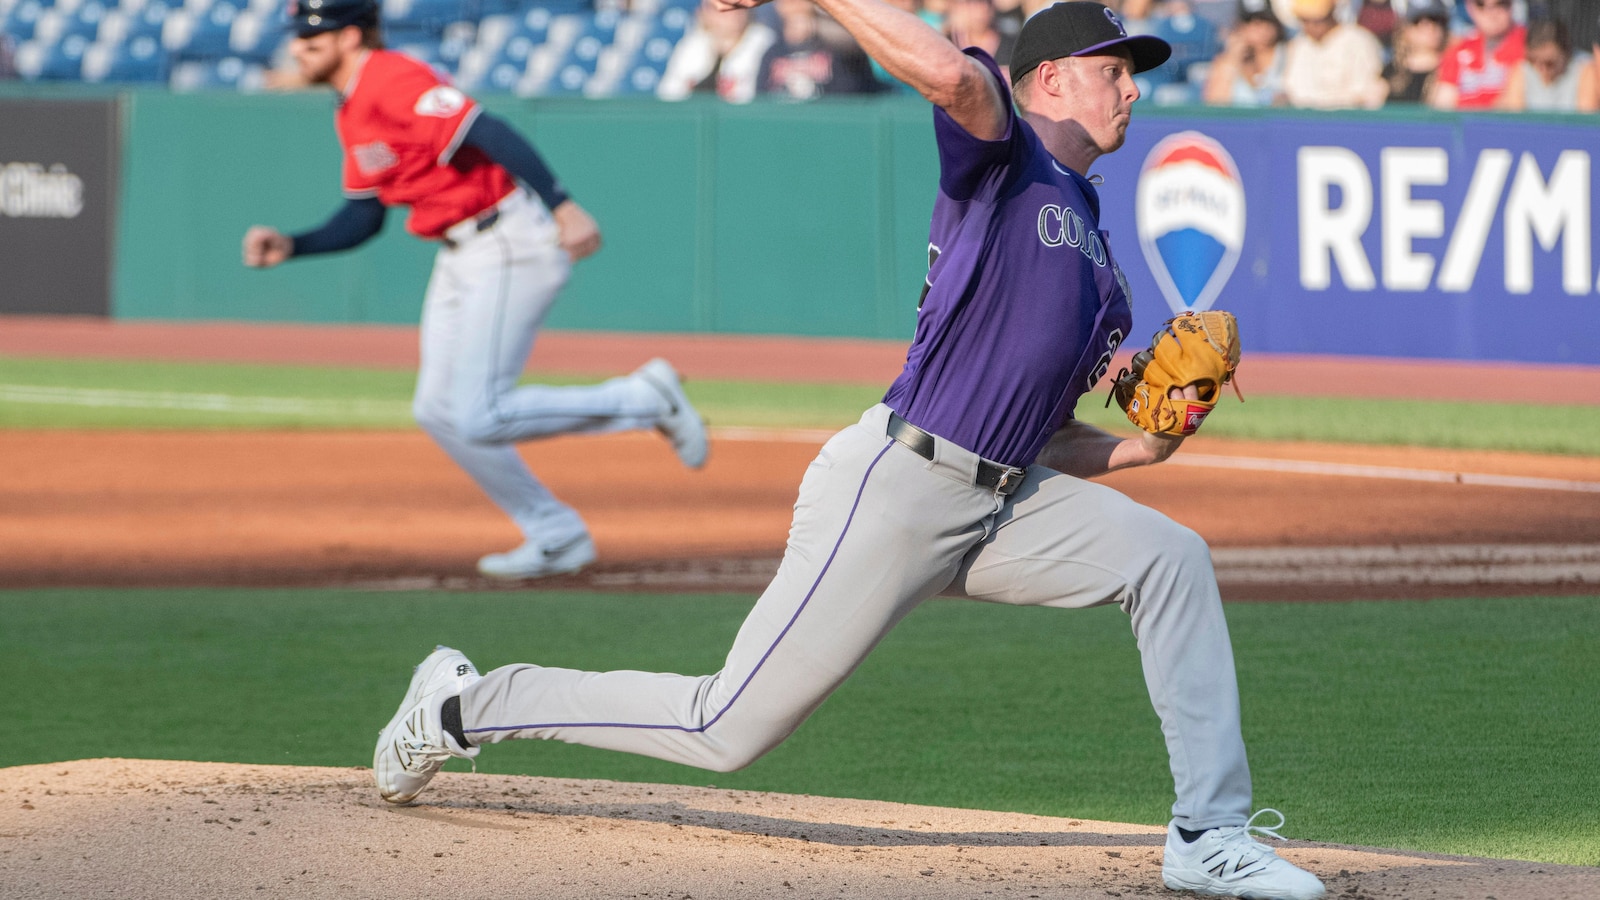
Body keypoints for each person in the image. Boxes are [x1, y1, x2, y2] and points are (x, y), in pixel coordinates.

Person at [371, 3, 1327, 899]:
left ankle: (1208, 833)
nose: (1129, 90)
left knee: (1171, 560)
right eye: (1111, 70)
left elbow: (1046, 433)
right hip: (899, 488)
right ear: (1044, 82)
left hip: (1003, 501)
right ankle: (462, 706)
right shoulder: (1007, 158)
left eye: (1133, 74)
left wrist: (1142, 453)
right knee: (724, 726)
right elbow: (950, 76)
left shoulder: (1103, 270)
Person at [243, 0, 709, 581]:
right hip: (460, 254)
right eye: (298, 38)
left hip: (506, 239)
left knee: (480, 414)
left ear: (352, 36)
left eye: (314, 38)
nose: (300, 48)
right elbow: (364, 216)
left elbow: (486, 129)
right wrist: (294, 245)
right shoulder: (351, 108)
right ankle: (555, 534)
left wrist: (562, 204)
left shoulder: (392, 77)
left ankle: (645, 399)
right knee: (437, 411)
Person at [657, 0, 778, 102]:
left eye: (738, 6)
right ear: (705, 11)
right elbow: (669, 95)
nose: (731, 13)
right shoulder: (692, 44)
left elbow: (753, 99)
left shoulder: (764, 42)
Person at [758, 0, 885, 96]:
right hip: (787, 123)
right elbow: (761, 96)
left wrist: (816, 27)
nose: (793, 2)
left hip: (836, 120)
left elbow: (855, 43)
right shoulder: (773, 49)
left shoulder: (834, 35)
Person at [1280, 0, 1387, 108]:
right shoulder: (1299, 45)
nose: (1310, 26)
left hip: (1345, 118)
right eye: (1304, 21)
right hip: (1301, 119)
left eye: (1317, 21)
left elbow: (1367, 92)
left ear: (1331, 14)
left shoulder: (1358, 40)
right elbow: (1292, 89)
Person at [1432, 0, 1527, 109]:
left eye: (1501, 3)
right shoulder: (1458, 51)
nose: (1491, 12)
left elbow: (1515, 105)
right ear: (1469, 7)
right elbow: (1443, 107)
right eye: (1480, 4)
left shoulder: (1529, 46)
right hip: (1464, 123)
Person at [1201, 0, 1287, 106]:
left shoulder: (1289, 53)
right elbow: (1215, 105)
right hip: (1238, 121)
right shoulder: (1227, 62)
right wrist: (1233, 59)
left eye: (1267, 21)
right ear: (1241, 27)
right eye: (1253, 23)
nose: (1262, 29)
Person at [1499, 17, 1585, 110]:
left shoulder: (1583, 69)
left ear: (1567, 54)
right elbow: (1514, 116)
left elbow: (1585, 118)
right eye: (1532, 60)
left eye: (1549, 63)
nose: (1541, 68)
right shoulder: (1522, 70)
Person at [1383, 0, 1451, 104]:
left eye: (1436, 20)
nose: (1430, 27)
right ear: (1405, 28)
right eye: (1419, 21)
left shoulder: (1452, 69)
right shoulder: (1391, 71)